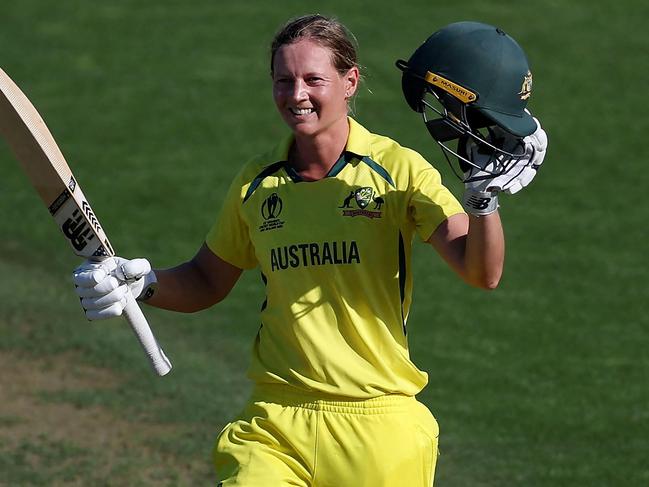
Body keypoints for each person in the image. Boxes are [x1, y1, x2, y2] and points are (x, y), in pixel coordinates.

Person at [72, 15, 547, 487]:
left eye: (313, 79)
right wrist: (144, 284)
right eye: (283, 80)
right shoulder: (257, 183)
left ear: (350, 82)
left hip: (378, 429)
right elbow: (206, 280)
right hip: (275, 424)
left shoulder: (399, 171)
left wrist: (484, 203)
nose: (296, 94)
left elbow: (481, 271)